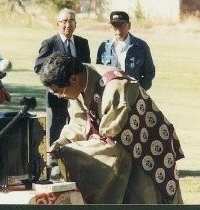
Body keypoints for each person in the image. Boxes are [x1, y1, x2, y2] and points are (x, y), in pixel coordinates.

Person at [39, 52, 184, 204]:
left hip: (147, 144)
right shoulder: (79, 83)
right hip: (122, 147)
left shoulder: (115, 86)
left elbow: (109, 137)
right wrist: (62, 142)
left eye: (59, 91)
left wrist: (70, 152)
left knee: (146, 197)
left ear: (73, 79)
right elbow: (79, 122)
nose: (60, 96)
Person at [34, 8, 91, 147]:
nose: (68, 25)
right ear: (58, 23)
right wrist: (55, 82)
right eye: (64, 21)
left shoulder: (82, 43)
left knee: (78, 130)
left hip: (78, 97)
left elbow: (86, 67)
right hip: (56, 98)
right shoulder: (49, 43)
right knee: (55, 132)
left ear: (75, 24)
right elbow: (38, 67)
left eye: (72, 21)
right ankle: (53, 164)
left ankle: (73, 163)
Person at [96, 11, 155, 90]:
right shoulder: (104, 47)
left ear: (129, 26)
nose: (118, 29)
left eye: (122, 25)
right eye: (115, 25)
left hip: (132, 95)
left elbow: (149, 73)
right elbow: (99, 73)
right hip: (109, 93)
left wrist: (138, 90)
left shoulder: (141, 47)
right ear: (110, 27)